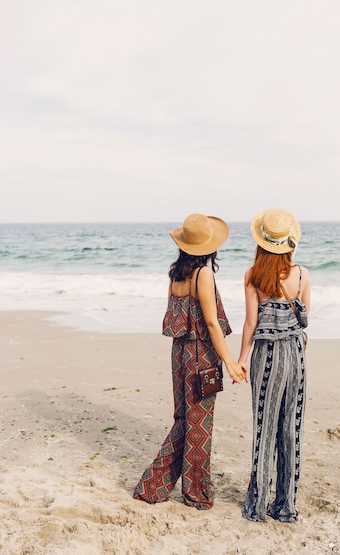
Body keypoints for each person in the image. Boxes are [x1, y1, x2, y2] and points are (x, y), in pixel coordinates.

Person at [133, 213, 246, 510]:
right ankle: (193, 492)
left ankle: (154, 486)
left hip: (179, 355)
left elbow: (176, 318)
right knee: (199, 427)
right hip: (201, 357)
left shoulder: (176, 275)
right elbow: (211, 324)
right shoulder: (203, 274)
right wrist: (231, 362)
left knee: (183, 420)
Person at [238, 208, 311, 523]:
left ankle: (257, 504)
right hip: (295, 355)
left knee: (264, 429)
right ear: (289, 242)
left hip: (266, 356)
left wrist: (241, 360)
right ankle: (285, 505)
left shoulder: (253, 275)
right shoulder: (303, 275)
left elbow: (250, 324)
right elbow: (306, 320)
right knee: (290, 428)